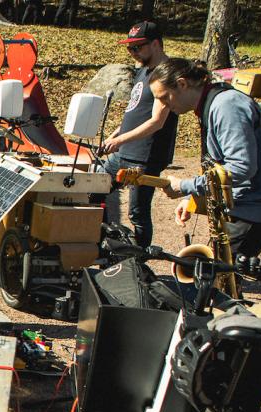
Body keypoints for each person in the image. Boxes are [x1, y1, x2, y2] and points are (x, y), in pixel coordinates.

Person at [150, 58, 261, 258]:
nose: (162, 105)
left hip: (260, 207)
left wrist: (185, 186)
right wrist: (193, 198)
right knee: (219, 279)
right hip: (251, 204)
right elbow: (219, 165)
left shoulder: (226, 106)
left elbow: (241, 168)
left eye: (164, 97)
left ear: (182, 84)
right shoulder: (212, 104)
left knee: (215, 280)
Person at [99, 21, 178, 248]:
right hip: (124, 151)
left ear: (155, 44)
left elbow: (156, 122)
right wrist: (115, 135)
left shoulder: (166, 75)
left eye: (137, 47)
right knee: (95, 190)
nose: (133, 52)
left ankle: (140, 258)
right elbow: (135, 111)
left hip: (144, 157)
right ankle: (108, 244)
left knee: (137, 212)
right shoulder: (142, 71)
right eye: (129, 48)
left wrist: (120, 139)